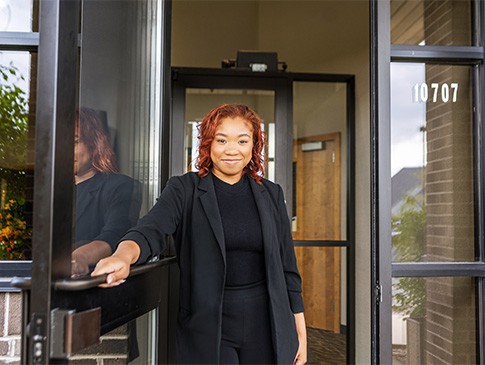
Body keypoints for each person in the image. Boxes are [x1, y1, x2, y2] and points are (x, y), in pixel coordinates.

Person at [92, 104, 307, 364]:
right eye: (221, 140)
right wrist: (123, 256)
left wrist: (300, 332)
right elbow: (151, 228)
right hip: (208, 321)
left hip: (267, 319)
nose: (232, 149)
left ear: (254, 145)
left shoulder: (271, 194)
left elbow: (288, 267)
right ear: (207, 144)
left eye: (242, 140)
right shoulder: (184, 189)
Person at [71, 107, 140, 277]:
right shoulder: (52, 191)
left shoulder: (119, 186)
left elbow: (114, 236)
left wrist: (77, 258)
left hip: (94, 283)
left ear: (94, 144)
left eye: (74, 141)